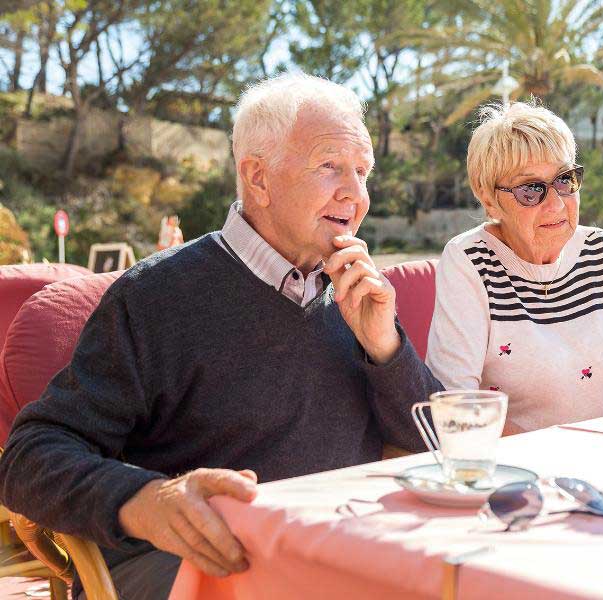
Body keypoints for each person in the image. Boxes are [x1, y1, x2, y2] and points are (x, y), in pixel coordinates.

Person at [0, 73, 443, 600]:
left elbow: (439, 447)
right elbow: (29, 456)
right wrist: (146, 500)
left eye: (363, 171)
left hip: (342, 556)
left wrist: (385, 350)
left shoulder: (357, 293)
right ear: (257, 177)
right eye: (329, 166)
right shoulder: (157, 296)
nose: (356, 193)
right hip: (202, 568)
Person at [425, 102, 603, 434]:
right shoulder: (470, 261)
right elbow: (456, 406)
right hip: (513, 472)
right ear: (488, 199)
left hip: (598, 460)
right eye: (531, 189)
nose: (556, 203)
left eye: (565, 180)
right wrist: (551, 458)